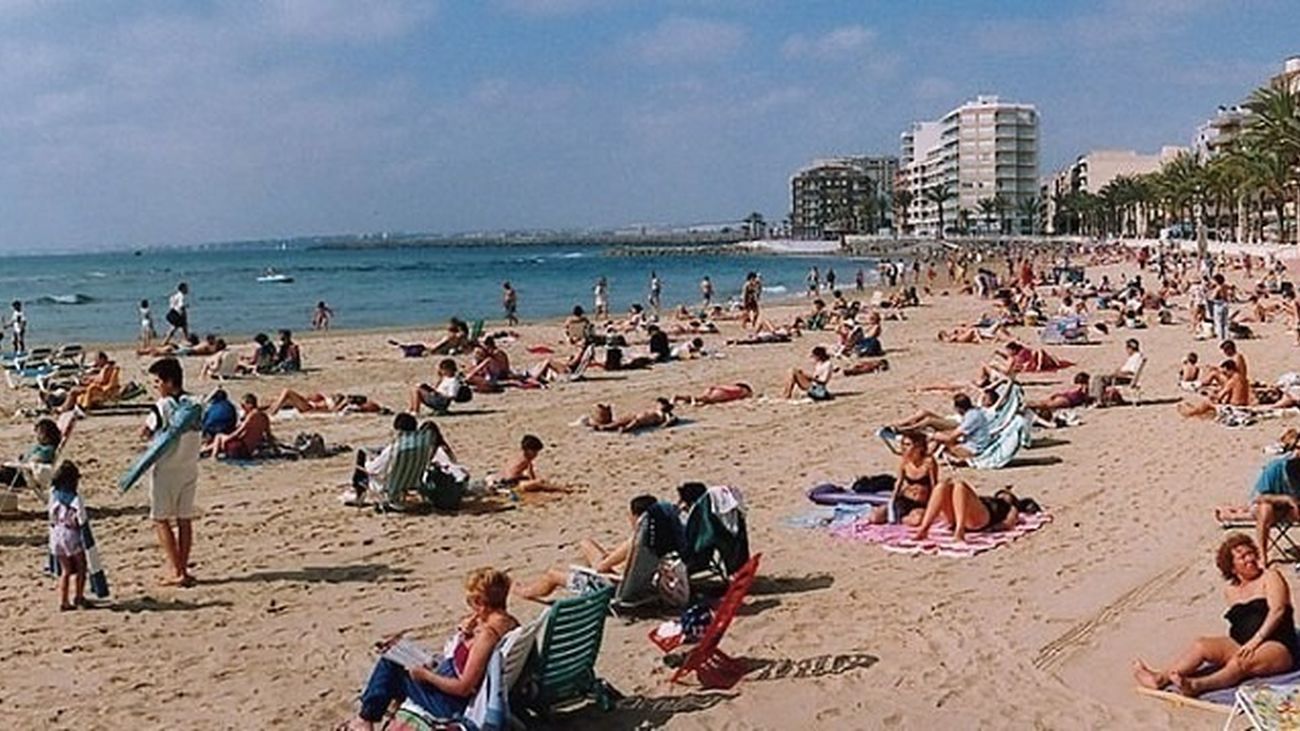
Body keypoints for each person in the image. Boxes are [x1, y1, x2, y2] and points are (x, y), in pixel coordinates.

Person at [343, 567, 519, 729]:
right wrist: (466, 636)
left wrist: (426, 676)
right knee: (398, 658)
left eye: (470, 601)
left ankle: (364, 720)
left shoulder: (487, 636)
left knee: (390, 665)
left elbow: (464, 687)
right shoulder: (510, 624)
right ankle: (374, 715)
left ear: (480, 602)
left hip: (450, 704)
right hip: (451, 685)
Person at [1133, 534, 1298, 698]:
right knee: (1201, 645)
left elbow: (1278, 610)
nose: (1251, 559)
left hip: (1277, 644)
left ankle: (1197, 685)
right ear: (1232, 568)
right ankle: (1160, 678)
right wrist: (1245, 644)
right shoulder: (1231, 591)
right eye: (1243, 557)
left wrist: (1256, 640)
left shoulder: (1270, 577)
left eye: (1251, 553)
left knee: (1240, 663)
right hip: (1243, 643)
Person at [514, 496, 684, 600]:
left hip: (613, 591)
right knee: (586, 543)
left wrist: (604, 563)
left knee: (552, 575)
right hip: (641, 586)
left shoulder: (637, 541)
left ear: (636, 517)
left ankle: (525, 592)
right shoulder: (663, 537)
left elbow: (601, 568)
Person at [141, 357, 201, 587]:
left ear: (168, 382)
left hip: (166, 469)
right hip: (189, 466)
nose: (156, 387)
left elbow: (145, 432)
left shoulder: (162, 406)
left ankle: (177, 571)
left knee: (160, 519)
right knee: (184, 519)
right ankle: (183, 568)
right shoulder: (195, 404)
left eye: (157, 382)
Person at [913, 479, 1023, 543]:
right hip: (961, 516)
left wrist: (992, 528)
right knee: (942, 485)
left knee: (960, 485)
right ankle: (924, 529)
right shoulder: (985, 499)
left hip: (981, 520)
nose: (1003, 495)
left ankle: (959, 530)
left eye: (1007, 495)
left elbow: (1009, 522)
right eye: (1001, 493)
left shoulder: (1009, 507)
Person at [870, 431, 938, 526]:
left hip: (920, 503)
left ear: (919, 447)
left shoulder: (929, 462)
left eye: (908, 445)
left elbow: (934, 485)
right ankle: (899, 516)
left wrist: (934, 506)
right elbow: (899, 483)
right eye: (903, 444)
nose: (904, 448)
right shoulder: (905, 462)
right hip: (904, 499)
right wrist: (892, 501)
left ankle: (901, 519)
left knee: (917, 520)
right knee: (875, 518)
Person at [1247, 446, 1300, 564]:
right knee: (1266, 509)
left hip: (1291, 509)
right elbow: (1258, 497)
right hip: (1266, 507)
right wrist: (1285, 499)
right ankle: (1263, 554)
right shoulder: (1274, 468)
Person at [48, 461, 89, 611]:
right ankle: (79, 596)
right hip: (70, 533)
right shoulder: (75, 499)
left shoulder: (53, 494)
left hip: (56, 534)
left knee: (65, 570)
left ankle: (63, 601)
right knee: (81, 566)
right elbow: (81, 519)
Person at [487, 434, 570, 493]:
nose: (536, 454)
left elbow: (530, 474)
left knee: (537, 482)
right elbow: (512, 476)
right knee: (540, 483)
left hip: (502, 480)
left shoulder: (520, 456)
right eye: (535, 452)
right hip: (509, 484)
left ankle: (561, 488)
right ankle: (563, 489)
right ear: (528, 450)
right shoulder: (525, 460)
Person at [205, 393, 271, 459]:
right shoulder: (265, 417)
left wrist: (226, 439)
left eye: (243, 405)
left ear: (250, 405)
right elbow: (269, 436)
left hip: (240, 449)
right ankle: (204, 450)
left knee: (219, 437)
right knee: (223, 440)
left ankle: (213, 457)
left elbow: (239, 432)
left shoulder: (251, 416)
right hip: (249, 451)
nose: (242, 408)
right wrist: (275, 448)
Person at [0, 418, 62, 487]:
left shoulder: (48, 450)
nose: (37, 436)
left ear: (48, 436)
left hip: (25, 476)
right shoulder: (40, 446)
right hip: (21, 470)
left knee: (4, 472)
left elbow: (34, 460)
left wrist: (19, 462)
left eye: (39, 433)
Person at [932, 393, 992, 461]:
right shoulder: (974, 413)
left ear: (959, 408)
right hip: (974, 444)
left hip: (974, 449)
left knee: (944, 439)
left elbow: (951, 437)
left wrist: (934, 436)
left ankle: (929, 454)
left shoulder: (971, 417)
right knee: (943, 435)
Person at [268, 389, 386, 415]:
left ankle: (272, 412)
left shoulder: (343, 406)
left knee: (287, 392)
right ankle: (264, 409)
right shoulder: (341, 399)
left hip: (310, 408)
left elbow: (334, 411)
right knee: (280, 399)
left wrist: (344, 403)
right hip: (310, 404)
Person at [590, 398, 677, 433]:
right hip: (637, 416)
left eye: (662, 404)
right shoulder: (656, 410)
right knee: (620, 421)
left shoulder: (665, 414)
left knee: (633, 423)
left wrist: (664, 425)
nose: (660, 406)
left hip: (643, 420)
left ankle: (622, 429)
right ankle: (604, 426)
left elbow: (671, 420)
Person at [1027, 372, 1091, 418]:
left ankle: (1028, 403)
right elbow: (1085, 399)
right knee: (1047, 405)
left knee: (1044, 402)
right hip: (1068, 400)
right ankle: (1028, 405)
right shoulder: (1083, 388)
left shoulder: (1075, 387)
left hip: (1063, 396)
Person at [672, 382, 753, 406]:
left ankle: (679, 397)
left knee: (703, 398)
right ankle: (691, 399)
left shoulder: (738, 394)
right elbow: (726, 388)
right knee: (704, 398)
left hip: (718, 393)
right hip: (718, 392)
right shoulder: (738, 389)